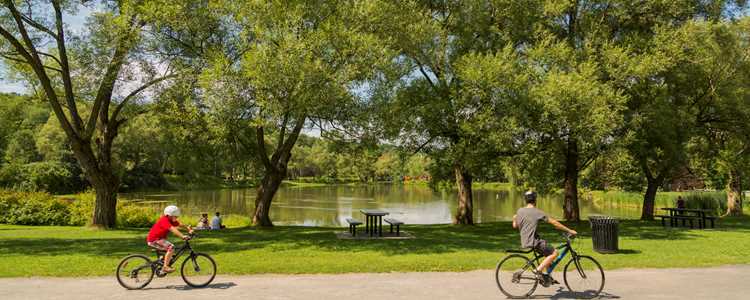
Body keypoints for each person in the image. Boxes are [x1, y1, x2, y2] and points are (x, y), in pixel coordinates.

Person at [512, 191, 577, 286]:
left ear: (526, 200)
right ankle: (537, 271)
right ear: (535, 200)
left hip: (526, 241)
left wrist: (514, 218)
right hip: (534, 241)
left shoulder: (520, 211)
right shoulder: (537, 212)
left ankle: (547, 276)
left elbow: (515, 225)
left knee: (548, 252)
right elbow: (555, 223)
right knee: (555, 252)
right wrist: (570, 230)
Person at [146, 205, 193, 274]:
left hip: (159, 239)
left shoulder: (170, 219)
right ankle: (165, 267)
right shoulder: (164, 220)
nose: (177, 217)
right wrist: (182, 236)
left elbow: (179, 224)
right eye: (175, 216)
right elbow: (173, 229)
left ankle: (162, 268)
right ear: (170, 215)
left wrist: (188, 228)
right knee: (171, 247)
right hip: (154, 240)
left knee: (168, 253)